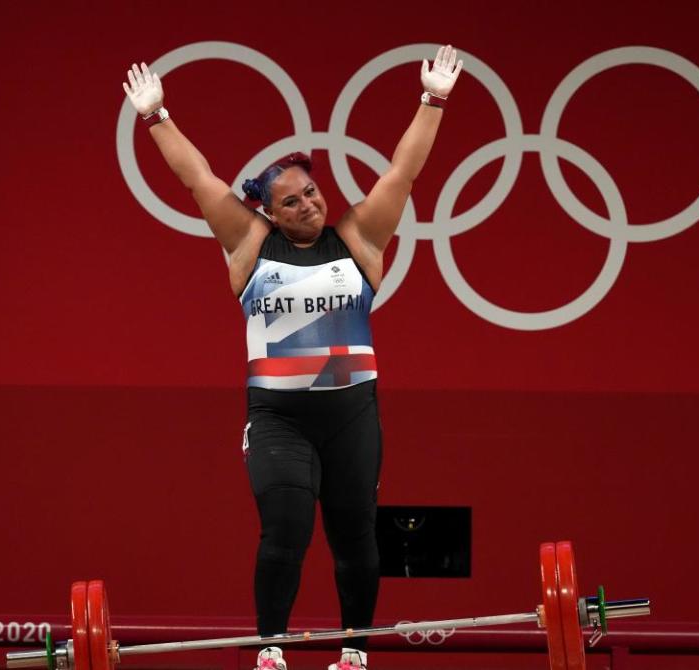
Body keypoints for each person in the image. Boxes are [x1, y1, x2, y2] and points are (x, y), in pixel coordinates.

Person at [122, 45, 462, 670]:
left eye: (310, 192)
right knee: (286, 529)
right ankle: (270, 648)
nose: (308, 204)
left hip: (352, 418)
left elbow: (403, 174)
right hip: (279, 420)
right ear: (269, 214)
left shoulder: (358, 238)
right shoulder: (249, 245)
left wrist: (432, 100)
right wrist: (156, 116)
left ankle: (354, 653)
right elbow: (199, 180)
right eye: (293, 202)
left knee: (354, 538)